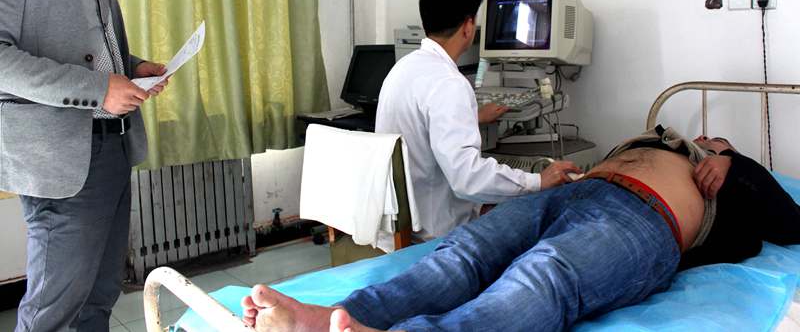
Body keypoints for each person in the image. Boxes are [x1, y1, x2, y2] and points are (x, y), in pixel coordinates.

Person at [240, 126, 800, 332]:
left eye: (716, 138)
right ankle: (341, 317)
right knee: (463, 251)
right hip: (573, 192)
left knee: (545, 273)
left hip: (644, 218)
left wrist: (734, 160)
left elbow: (788, 222)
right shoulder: (660, 137)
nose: (706, 136)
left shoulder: (731, 171)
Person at [0, 0, 168, 331]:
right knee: (54, 307)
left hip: (113, 148)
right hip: (61, 161)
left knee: (99, 294)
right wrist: (99, 89)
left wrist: (131, 68)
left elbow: (88, 48)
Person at [375, 0, 578, 238]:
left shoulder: (403, 68)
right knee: (538, 220)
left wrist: (472, 116)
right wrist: (538, 180)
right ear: (468, 26)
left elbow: (425, 122)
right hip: (434, 232)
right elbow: (467, 180)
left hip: (400, 222)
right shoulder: (450, 84)